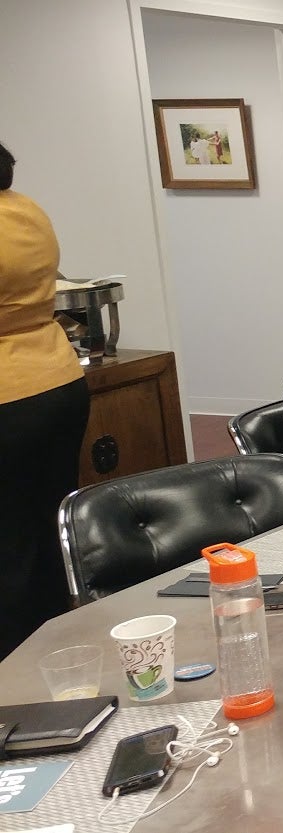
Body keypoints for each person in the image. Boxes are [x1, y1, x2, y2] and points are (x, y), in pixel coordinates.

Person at [0, 141, 91, 658]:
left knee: (9, 551)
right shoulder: (26, 211)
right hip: (53, 381)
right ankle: (58, 655)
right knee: (46, 535)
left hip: (6, 395)